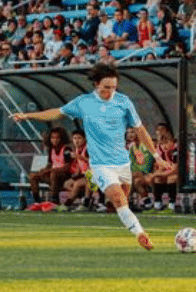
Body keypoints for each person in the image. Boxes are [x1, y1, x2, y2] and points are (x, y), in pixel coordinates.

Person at [12, 63, 169, 250]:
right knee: (118, 198)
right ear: (96, 84)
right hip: (101, 164)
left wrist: (156, 156)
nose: (110, 92)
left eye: (113, 87)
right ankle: (141, 234)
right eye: (106, 88)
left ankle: (97, 184)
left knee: (122, 200)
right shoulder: (84, 102)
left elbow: (140, 129)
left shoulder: (124, 102)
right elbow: (57, 112)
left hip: (122, 162)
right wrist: (28, 115)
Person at [28, 126, 72, 207]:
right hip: (52, 174)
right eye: (52, 138)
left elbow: (67, 167)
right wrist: (44, 170)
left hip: (64, 176)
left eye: (57, 138)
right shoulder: (51, 149)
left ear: (61, 138)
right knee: (32, 176)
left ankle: (53, 201)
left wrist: (50, 170)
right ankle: (37, 201)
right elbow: (50, 164)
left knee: (53, 174)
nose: (55, 140)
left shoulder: (66, 149)